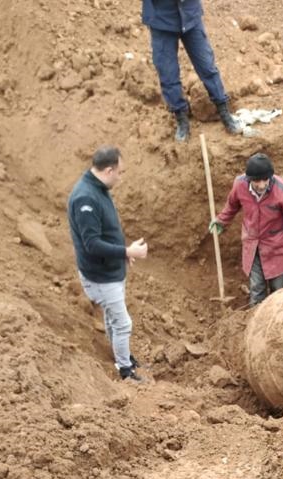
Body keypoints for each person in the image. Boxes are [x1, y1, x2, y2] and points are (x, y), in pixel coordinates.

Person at [67, 146, 148, 382]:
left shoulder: (98, 187)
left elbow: (105, 232)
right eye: (120, 173)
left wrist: (123, 254)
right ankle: (125, 371)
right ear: (109, 170)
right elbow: (92, 243)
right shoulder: (86, 198)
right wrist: (126, 251)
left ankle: (121, 356)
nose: (121, 178)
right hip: (101, 275)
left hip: (110, 270)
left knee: (114, 318)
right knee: (123, 323)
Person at [209, 153, 283, 306]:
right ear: (249, 179)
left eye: (265, 180)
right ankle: (257, 324)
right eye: (256, 181)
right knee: (257, 290)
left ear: (270, 177)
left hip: (276, 248)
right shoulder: (239, 185)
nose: (261, 185)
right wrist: (221, 220)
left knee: (279, 293)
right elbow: (232, 206)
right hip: (252, 246)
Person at [141, 0, 242, 142]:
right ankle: (181, 118)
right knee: (168, 74)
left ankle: (223, 111)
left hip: (189, 15)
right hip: (161, 19)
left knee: (207, 66)